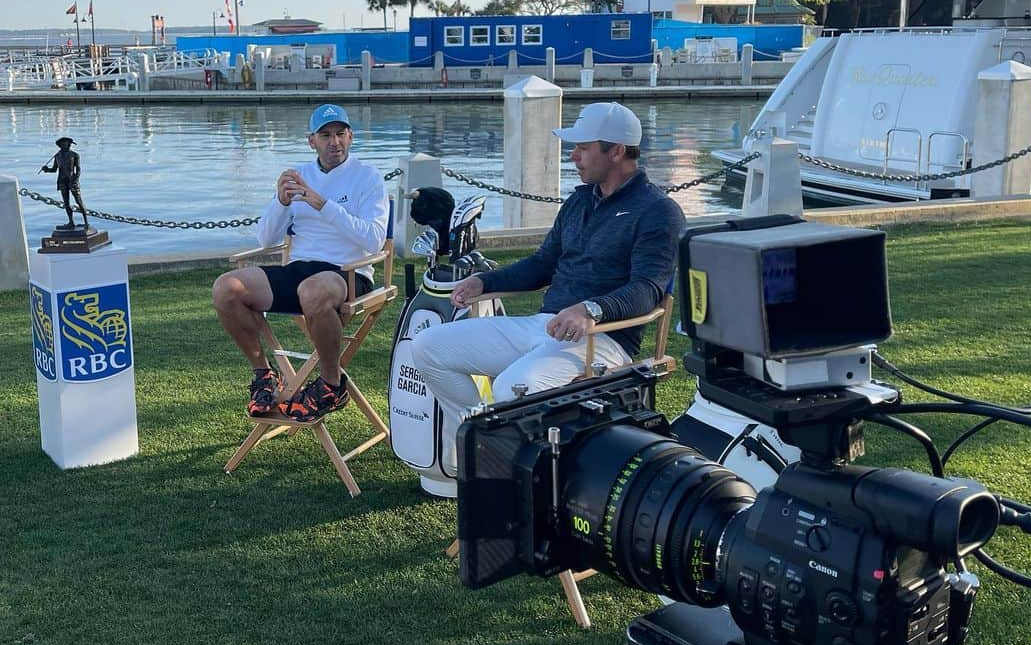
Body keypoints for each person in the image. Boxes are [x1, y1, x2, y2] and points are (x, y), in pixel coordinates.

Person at [411, 101, 685, 477]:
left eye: (583, 147)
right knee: (428, 348)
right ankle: (485, 445)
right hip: (545, 325)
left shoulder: (658, 211)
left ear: (617, 151)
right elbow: (542, 265)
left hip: (604, 341)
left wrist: (590, 310)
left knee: (512, 389)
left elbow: (648, 289)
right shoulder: (577, 202)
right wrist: (484, 281)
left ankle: (505, 470)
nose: (573, 156)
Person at [212, 104, 389, 421]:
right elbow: (265, 240)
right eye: (325, 135)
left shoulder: (367, 177)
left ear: (351, 136)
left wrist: (323, 204)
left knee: (312, 291)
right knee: (226, 288)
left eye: (340, 134)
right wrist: (280, 202)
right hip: (300, 269)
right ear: (312, 141)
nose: (334, 142)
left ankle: (331, 385)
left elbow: (374, 240)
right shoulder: (298, 176)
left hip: (348, 273)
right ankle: (264, 375)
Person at [41, 137, 89, 230]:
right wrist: (46, 170)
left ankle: (86, 222)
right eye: (62, 143)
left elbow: (78, 169)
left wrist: (76, 179)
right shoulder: (57, 156)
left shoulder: (75, 155)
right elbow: (54, 169)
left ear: (69, 144)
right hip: (62, 181)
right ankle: (71, 222)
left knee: (79, 201)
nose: (64, 145)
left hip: (72, 180)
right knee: (66, 203)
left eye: (66, 143)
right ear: (60, 145)